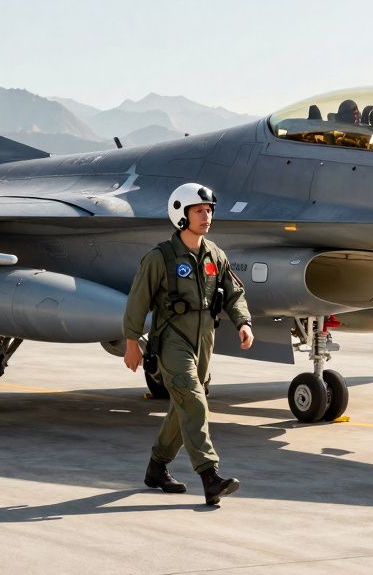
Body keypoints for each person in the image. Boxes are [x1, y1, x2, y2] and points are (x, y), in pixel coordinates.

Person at [122, 182, 254, 505]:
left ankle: (157, 467)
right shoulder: (160, 258)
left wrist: (243, 322)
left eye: (209, 210)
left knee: (184, 406)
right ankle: (210, 476)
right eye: (199, 211)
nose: (206, 216)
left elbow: (233, 292)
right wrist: (131, 343)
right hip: (172, 340)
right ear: (181, 214)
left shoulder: (215, 255)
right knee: (194, 401)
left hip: (204, 340)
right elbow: (137, 301)